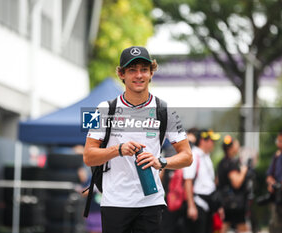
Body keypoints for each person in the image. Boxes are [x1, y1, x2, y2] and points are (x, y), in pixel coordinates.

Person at [83, 46, 193, 233]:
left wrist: (161, 162)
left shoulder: (165, 110)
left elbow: (187, 156)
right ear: (121, 74)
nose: (139, 75)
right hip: (115, 202)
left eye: (144, 69)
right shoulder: (103, 108)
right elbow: (88, 156)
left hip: (151, 201)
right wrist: (118, 149)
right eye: (132, 70)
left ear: (151, 73)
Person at [183, 129, 222, 233]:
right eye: (211, 140)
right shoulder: (194, 156)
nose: (213, 143)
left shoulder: (206, 156)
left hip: (209, 204)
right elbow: (188, 181)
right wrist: (191, 206)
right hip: (198, 203)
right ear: (202, 141)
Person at [217, 135, 249, 233]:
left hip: (225, 200)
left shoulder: (222, 162)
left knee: (225, 225)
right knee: (242, 227)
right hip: (235, 203)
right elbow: (236, 183)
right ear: (231, 148)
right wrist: (243, 171)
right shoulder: (232, 163)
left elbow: (217, 181)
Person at [266, 128, 282, 233]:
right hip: (278, 203)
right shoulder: (277, 157)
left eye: (281, 141)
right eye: (277, 141)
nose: (278, 144)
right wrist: (272, 183)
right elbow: (269, 176)